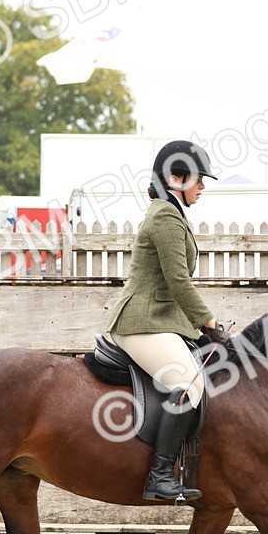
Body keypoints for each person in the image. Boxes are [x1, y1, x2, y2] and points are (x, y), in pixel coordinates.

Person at [104, 140, 228, 502]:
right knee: (189, 383)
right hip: (141, 321)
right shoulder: (164, 216)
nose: (203, 187)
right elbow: (177, 280)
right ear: (176, 178)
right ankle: (159, 476)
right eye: (198, 179)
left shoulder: (172, 214)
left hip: (162, 320)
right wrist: (207, 322)